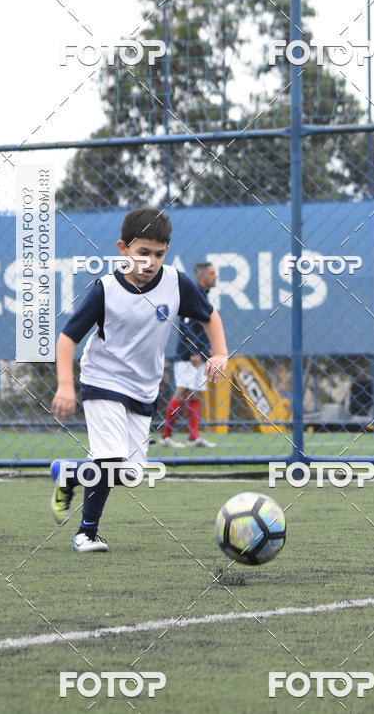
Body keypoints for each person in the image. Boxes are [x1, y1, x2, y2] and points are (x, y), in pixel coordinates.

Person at [49, 208, 228, 552]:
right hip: (102, 380)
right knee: (109, 458)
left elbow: (210, 315)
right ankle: (86, 533)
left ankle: (70, 473)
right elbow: (67, 338)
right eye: (142, 253)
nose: (150, 262)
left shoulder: (176, 283)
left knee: (130, 474)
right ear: (123, 248)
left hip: (143, 389)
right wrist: (66, 385)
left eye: (158, 254)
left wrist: (219, 354)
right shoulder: (105, 289)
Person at [160, 262, 218, 449]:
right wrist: (194, 351)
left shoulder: (203, 295)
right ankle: (166, 435)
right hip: (188, 356)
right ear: (201, 276)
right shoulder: (194, 294)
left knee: (193, 393)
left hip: (198, 355)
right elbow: (186, 325)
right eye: (211, 273)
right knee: (182, 391)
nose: (214, 276)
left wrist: (204, 350)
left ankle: (194, 436)